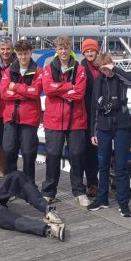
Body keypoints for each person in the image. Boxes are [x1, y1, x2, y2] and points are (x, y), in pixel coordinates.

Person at [87, 53, 131, 217]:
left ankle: (123, 203)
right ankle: (102, 199)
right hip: (103, 127)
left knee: (121, 166)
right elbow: (94, 107)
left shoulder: (120, 79)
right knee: (102, 165)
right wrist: (93, 132)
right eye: (104, 68)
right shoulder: (99, 81)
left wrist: (114, 69)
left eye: (108, 67)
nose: (107, 71)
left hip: (121, 125)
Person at [41, 35, 89, 206]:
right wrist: (69, 87)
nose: (63, 51)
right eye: (60, 48)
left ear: (70, 49)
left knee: (76, 155)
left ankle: (79, 191)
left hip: (76, 119)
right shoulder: (48, 68)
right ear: (57, 50)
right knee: (53, 155)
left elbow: (80, 93)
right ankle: (48, 191)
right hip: (54, 120)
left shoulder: (79, 69)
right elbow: (47, 88)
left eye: (66, 48)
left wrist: (58, 89)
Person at [0, 40, 43, 182]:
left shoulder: (38, 71)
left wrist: (15, 87)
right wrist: (25, 92)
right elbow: (4, 93)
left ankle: (29, 185)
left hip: (29, 118)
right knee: (9, 151)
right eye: (20, 54)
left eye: (26, 53)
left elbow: (36, 92)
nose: (23, 57)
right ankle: (10, 184)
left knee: (28, 153)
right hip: (10, 118)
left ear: (31, 53)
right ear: (16, 54)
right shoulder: (8, 71)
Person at [0, 36, 16, 177]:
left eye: (8, 49)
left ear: (12, 50)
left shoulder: (19, 64)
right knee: (0, 144)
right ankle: (2, 172)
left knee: (13, 145)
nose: (5, 52)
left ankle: (12, 171)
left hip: (15, 110)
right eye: (2, 49)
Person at [80, 39, 102, 198]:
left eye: (92, 50)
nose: (89, 53)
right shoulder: (81, 68)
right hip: (87, 113)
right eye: (86, 51)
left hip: (103, 113)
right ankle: (92, 183)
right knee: (89, 151)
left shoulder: (103, 66)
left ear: (97, 51)